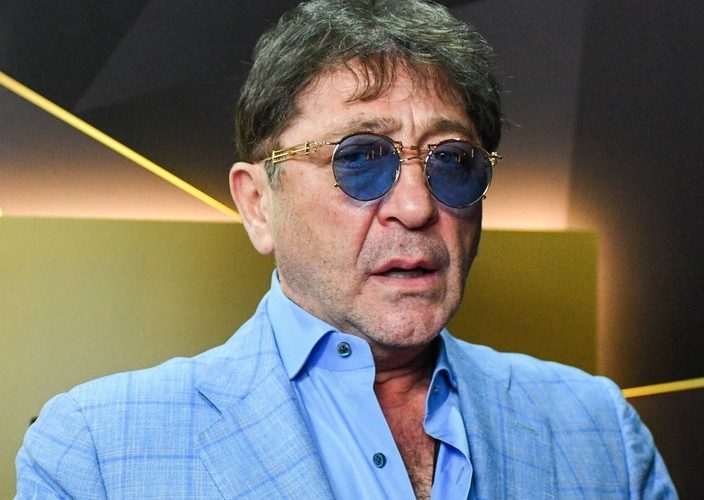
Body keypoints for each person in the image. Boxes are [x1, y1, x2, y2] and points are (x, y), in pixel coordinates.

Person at [16, 0, 677, 498]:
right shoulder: (97, 453)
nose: (416, 207)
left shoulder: (600, 432)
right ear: (257, 203)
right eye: (361, 158)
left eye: (451, 160)